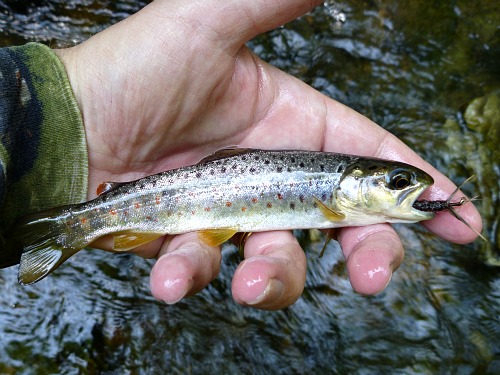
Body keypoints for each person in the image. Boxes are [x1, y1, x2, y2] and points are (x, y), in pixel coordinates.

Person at [0, 0, 482, 310]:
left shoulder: (343, 191)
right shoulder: (333, 196)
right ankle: (72, 224)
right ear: (354, 182)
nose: (411, 189)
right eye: (397, 182)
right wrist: (71, 111)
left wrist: (47, 129)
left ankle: (62, 222)